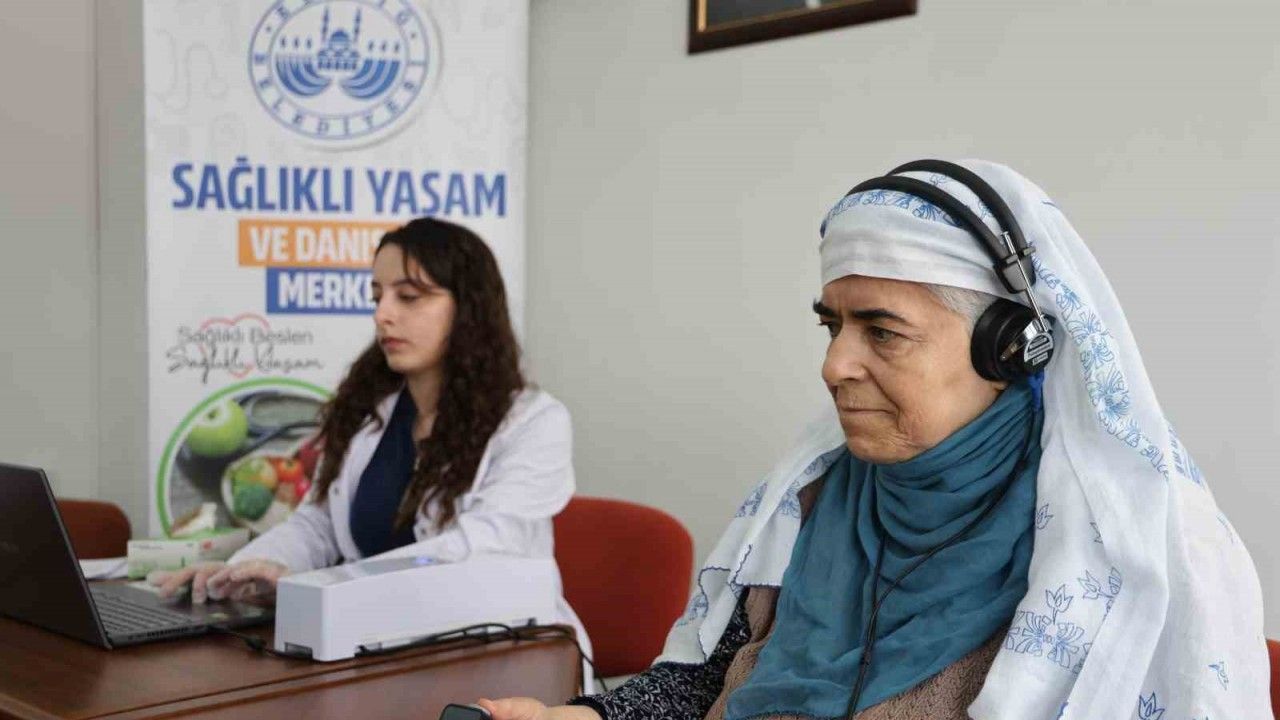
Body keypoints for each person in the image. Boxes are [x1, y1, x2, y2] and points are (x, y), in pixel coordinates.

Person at [479, 160, 1269, 720]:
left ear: (1007, 348)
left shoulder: (1114, 553)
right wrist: (589, 718)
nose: (833, 366)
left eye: (882, 331)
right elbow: (701, 685)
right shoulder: (808, 497)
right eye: (832, 325)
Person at [151, 218, 580, 634]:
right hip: (375, 637)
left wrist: (322, 587)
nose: (383, 314)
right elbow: (317, 524)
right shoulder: (370, 410)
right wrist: (250, 568)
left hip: (496, 647)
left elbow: (476, 552)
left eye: (408, 297)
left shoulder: (534, 423)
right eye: (377, 297)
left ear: (469, 309)